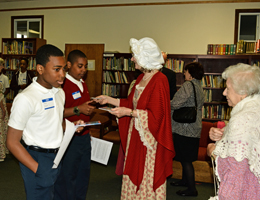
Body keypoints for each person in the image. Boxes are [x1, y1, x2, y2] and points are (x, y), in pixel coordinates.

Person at [94, 37, 175, 199]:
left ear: (145, 57)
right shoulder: (141, 78)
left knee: (146, 172)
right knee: (134, 168)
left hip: (149, 138)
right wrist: (108, 99)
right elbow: (129, 103)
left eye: (134, 56)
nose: (131, 59)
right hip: (136, 134)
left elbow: (156, 116)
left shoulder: (160, 79)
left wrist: (129, 113)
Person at [6, 44, 84, 200]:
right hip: (36, 157)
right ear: (40, 69)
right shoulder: (25, 98)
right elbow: (12, 142)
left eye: (63, 69)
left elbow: (56, 121)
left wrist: (70, 127)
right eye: (56, 69)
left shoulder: (59, 92)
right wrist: (38, 169)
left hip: (57, 155)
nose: (62, 75)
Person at [207, 63, 260, 200]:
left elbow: (234, 174)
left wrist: (213, 151)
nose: (224, 93)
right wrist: (222, 133)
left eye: (228, 88)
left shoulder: (241, 118)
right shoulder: (254, 108)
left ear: (242, 92)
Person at [58, 50, 95, 200]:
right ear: (68, 65)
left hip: (84, 136)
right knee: (68, 176)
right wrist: (79, 109)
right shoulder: (62, 84)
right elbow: (57, 113)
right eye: (80, 66)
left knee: (83, 174)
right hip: (69, 137)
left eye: (85, 66)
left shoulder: (82, 82)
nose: (83, 70)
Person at [170, 62, 204, 196]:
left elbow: (176, 103)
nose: (184, 73)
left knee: (185, 160)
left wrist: (164, 103)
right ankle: (185, 182)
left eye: (185, 71)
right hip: (194, 126)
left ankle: (191, 189)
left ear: (190, 73)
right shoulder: (199, 86)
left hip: (185, 128)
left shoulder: (188, 85)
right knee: (186, 157)